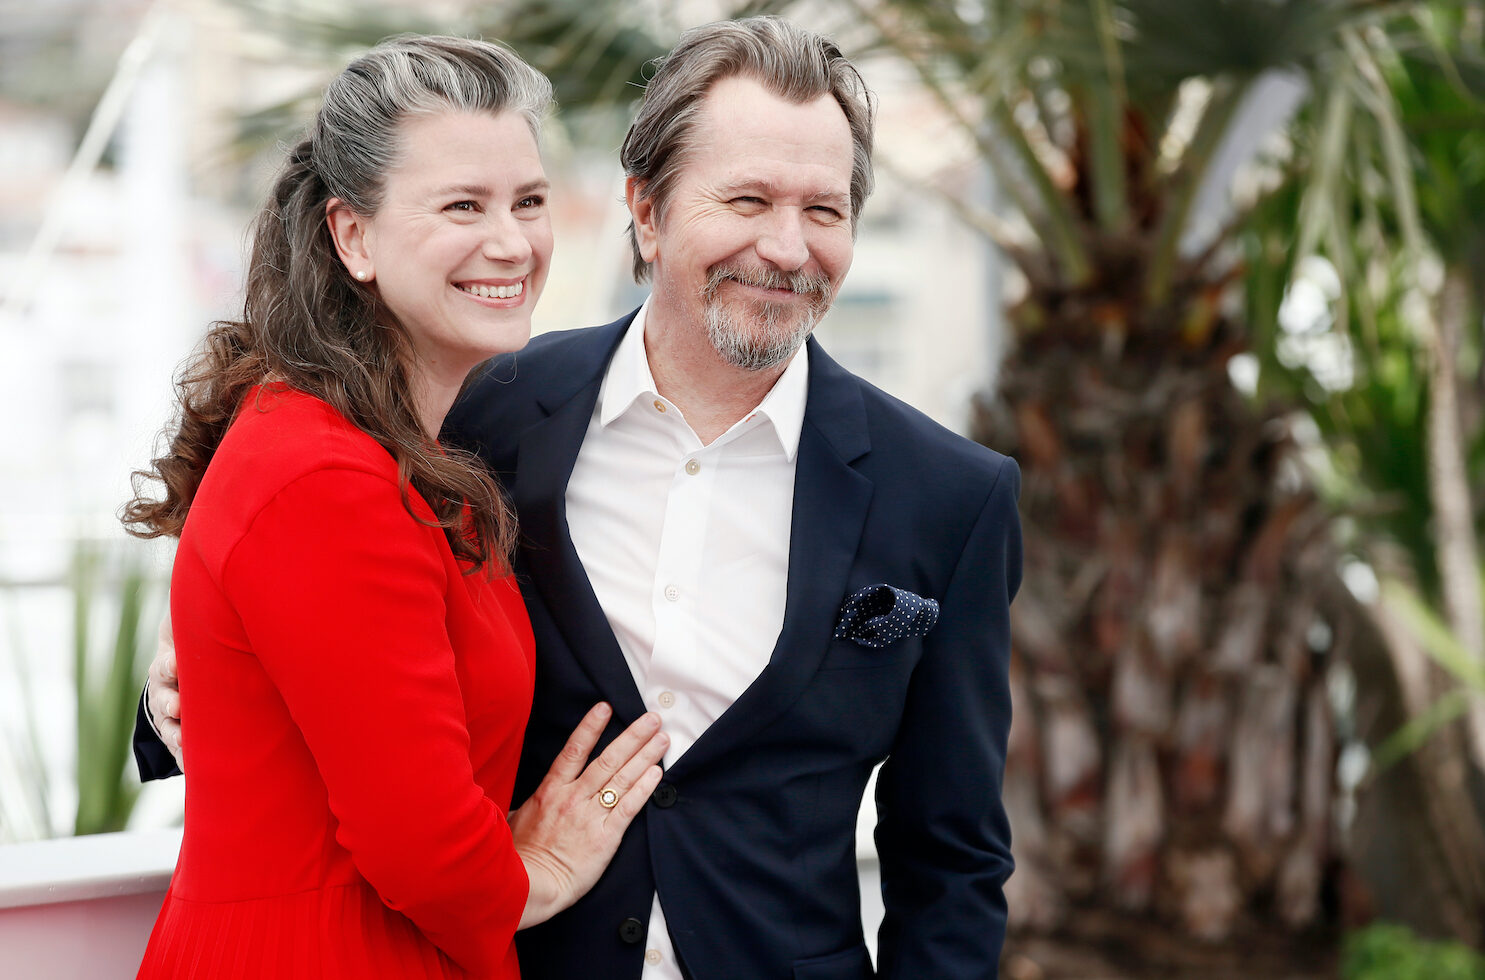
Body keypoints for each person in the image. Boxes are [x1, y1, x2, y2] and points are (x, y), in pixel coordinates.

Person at [139, 16, 1023, 979]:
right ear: (644, 210)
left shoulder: (949, 494)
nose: (786, 246)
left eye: (823, 210)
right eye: (747, 199)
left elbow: (952, 857)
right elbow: (311, 624)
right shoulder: (477, 415)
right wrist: (174, 696)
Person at [123, 35, 668, 979]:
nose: (511, 242)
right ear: (352, 236)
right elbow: (424, 849)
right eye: (463, 205)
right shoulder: (324, 474)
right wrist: (532, 871)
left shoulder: (387, 446)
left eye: (528, 202)